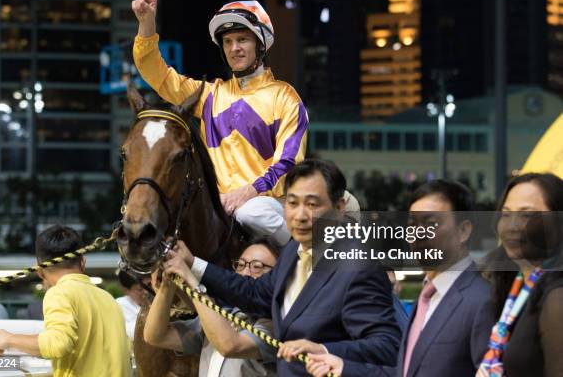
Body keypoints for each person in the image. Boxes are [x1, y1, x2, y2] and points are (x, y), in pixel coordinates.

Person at [165, 159, 401, 376]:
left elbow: (386, 345)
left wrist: (324, 350)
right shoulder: (292, 252)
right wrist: (193, 263)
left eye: (312, 204)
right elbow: (254, 293)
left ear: (339, 208)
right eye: (292, 203)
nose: (300, 215)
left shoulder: (358, 265)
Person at [131, 0, 308, 245]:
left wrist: (248, 192)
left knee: (252, 212)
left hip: (267, 204)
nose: (234, 48)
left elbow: (289, 163)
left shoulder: (284, 96)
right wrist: (146, 26)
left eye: (242, 40)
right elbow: (159, 77)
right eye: (227, 42)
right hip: (217, 208)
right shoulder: (210, 94)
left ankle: (308, 259)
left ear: (260, 44)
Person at [307, 180, 494, 377]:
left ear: (463, 230)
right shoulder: (427, 297)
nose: (418, 234)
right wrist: (344, 367)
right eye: (413, 224)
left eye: (431, 224)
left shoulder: (482, 301)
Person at [0, 225, 132, 377]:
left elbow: (58, 343)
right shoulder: (108, 298)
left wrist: (8, 339)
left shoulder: (59, 293)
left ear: (39, 270)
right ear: (83, 262)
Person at [148, 237, 279, 376]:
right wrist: (168, 284)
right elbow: (155, 336)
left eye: (257, 267)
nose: (245, 273)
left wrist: (191, 280)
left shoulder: (275, 327)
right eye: (241, 265)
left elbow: (229, 346)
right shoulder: (223, 315)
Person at [478, 173, 563, 377]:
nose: (512, 226)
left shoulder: (557, 296)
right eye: (506, 214)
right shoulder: (511, 284)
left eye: (527, 215)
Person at [116, 269, 149, 340]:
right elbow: (133, 333)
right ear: (126, 291)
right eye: (140, 289)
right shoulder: (120, 305)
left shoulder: (156, 298)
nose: (146, 292)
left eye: (149, 285)